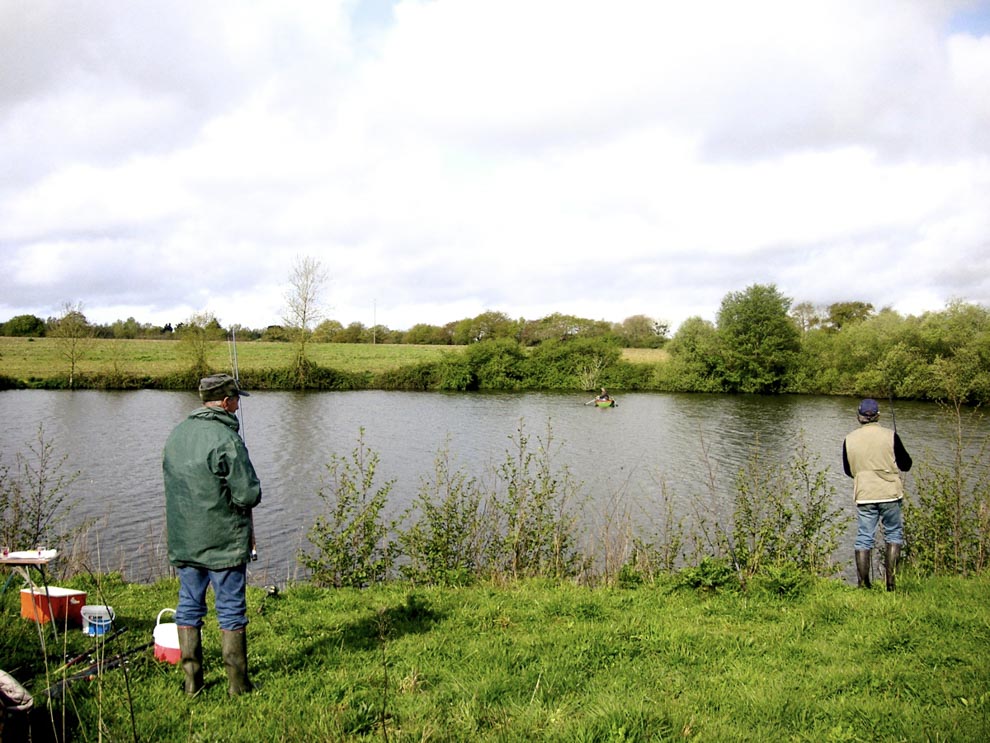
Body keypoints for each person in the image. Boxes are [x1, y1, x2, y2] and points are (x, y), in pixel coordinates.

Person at [163, 373, 262, 696]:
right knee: (231, 607)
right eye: (235, 400)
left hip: (185, 540)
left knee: (189, 605)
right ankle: (238, 686)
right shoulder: (226, 439)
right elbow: (248, 494)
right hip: (223, 541)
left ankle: (192, 683)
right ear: (224, 402)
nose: (237, 406)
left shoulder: (177, 434)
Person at [842, 398, 912, 591]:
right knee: (893, 534)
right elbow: (906, 464)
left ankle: (864, 585)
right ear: (878, 416)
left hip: (865, 494)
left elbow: (848, 470)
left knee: (864, 537)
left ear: (859, 417)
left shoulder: (849, 439)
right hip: (890, 493)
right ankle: (891, 584)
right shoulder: (891, 435)